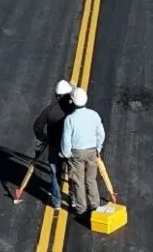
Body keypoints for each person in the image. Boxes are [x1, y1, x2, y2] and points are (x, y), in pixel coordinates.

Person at [60, 87, 105, 217]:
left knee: (78, 181)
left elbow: (66, 139)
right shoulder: (94, 115)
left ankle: (81, 209)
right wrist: (98, 148)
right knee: (91, 180)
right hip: (92, 151)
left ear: (73, 102)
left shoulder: (70, 119)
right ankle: (95, 206)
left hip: (76, 153)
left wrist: (66, 154)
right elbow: (100, 133)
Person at [32, 80, 75, 210]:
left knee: (55, 175)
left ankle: (56, 202)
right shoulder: (73, 110)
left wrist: (44, 139)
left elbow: (37, 126)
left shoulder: (49, 110)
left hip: (54, 147)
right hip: (71, 147)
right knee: (73, 173)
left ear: (57, 95)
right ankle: (73, 199)